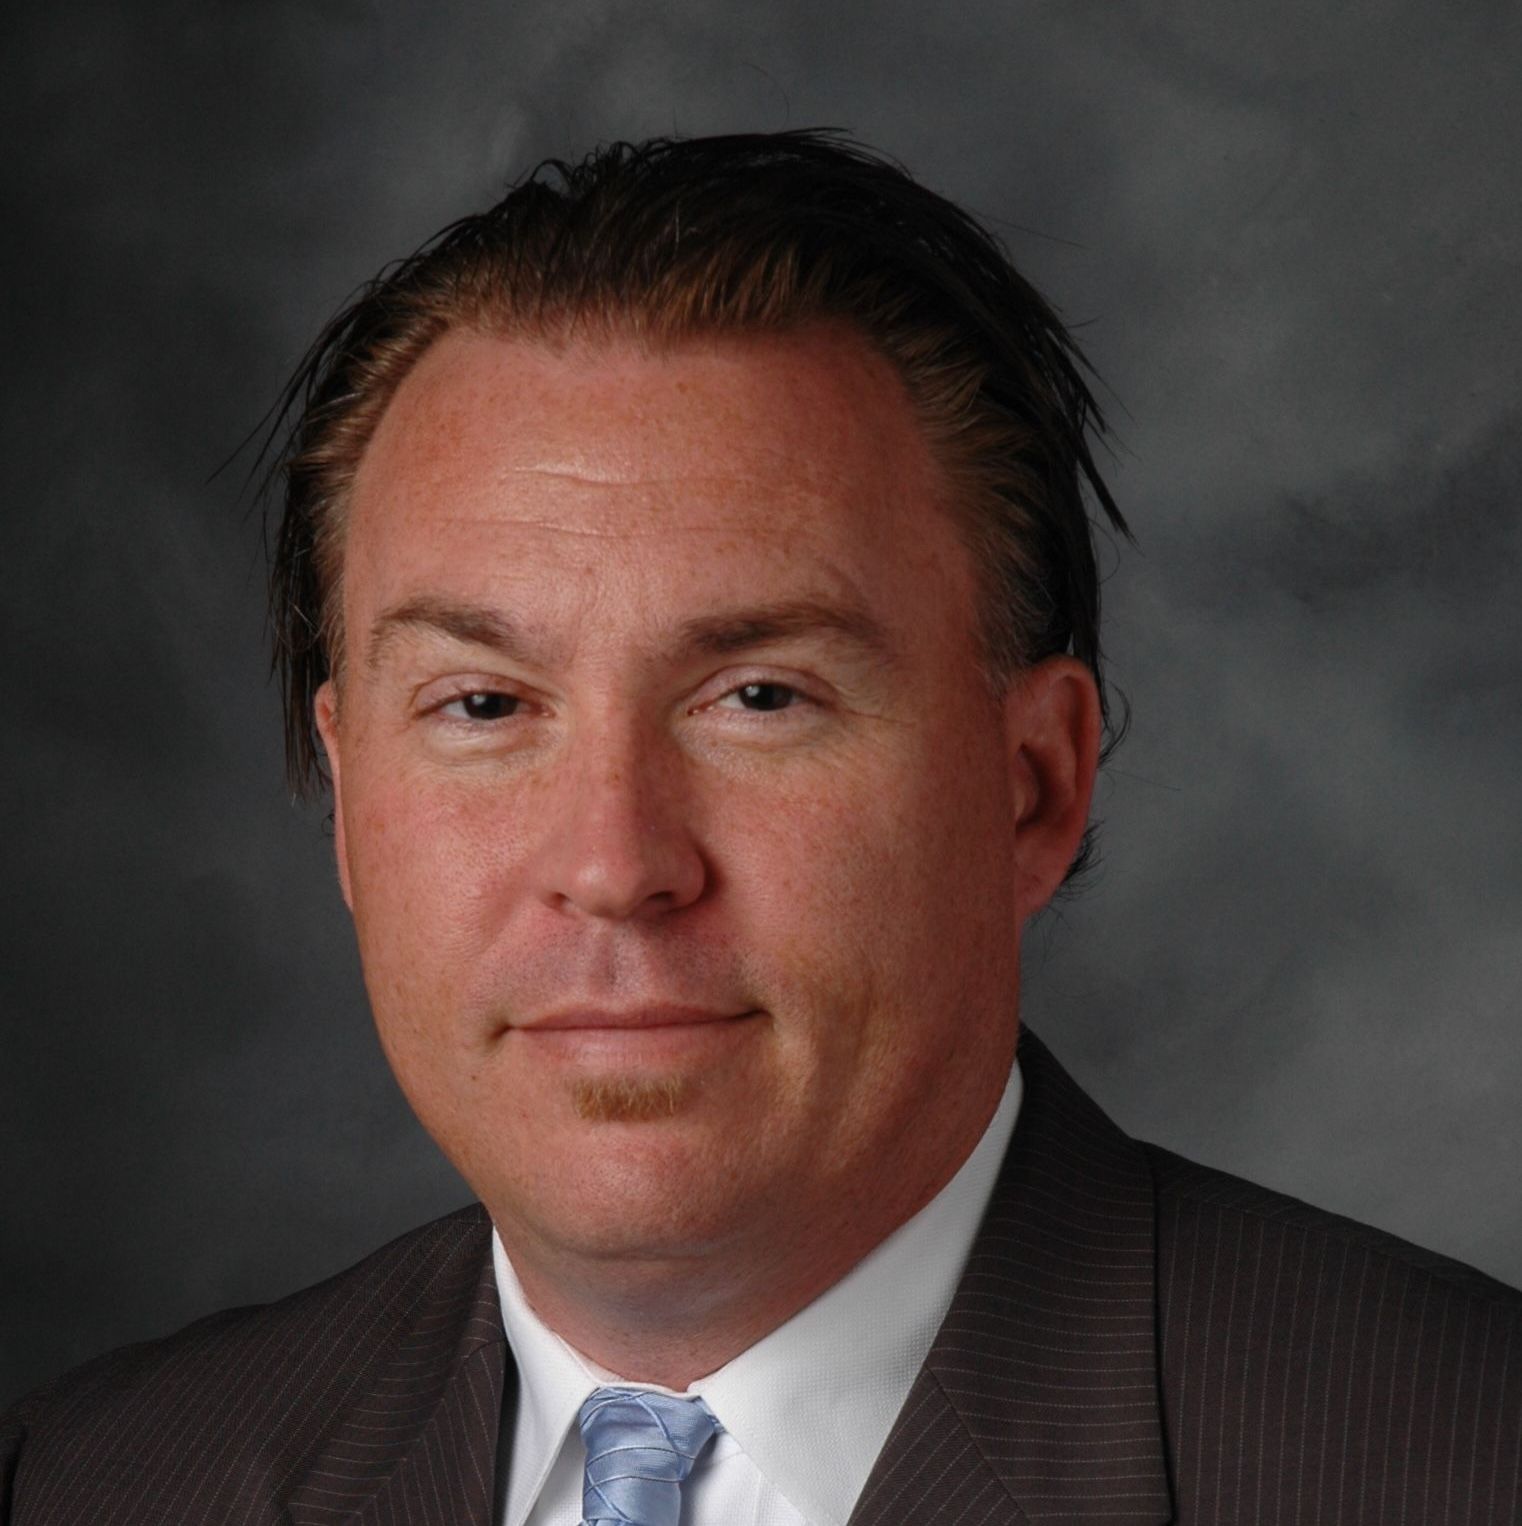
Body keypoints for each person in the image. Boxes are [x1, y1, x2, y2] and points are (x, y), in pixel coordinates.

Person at [2, 131, 1518, 1526]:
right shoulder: (101, 1480)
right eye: (481, 706)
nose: (612, 864)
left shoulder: (1452, 1460)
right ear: (346, 802)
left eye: (760, 695)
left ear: (1031, 788)